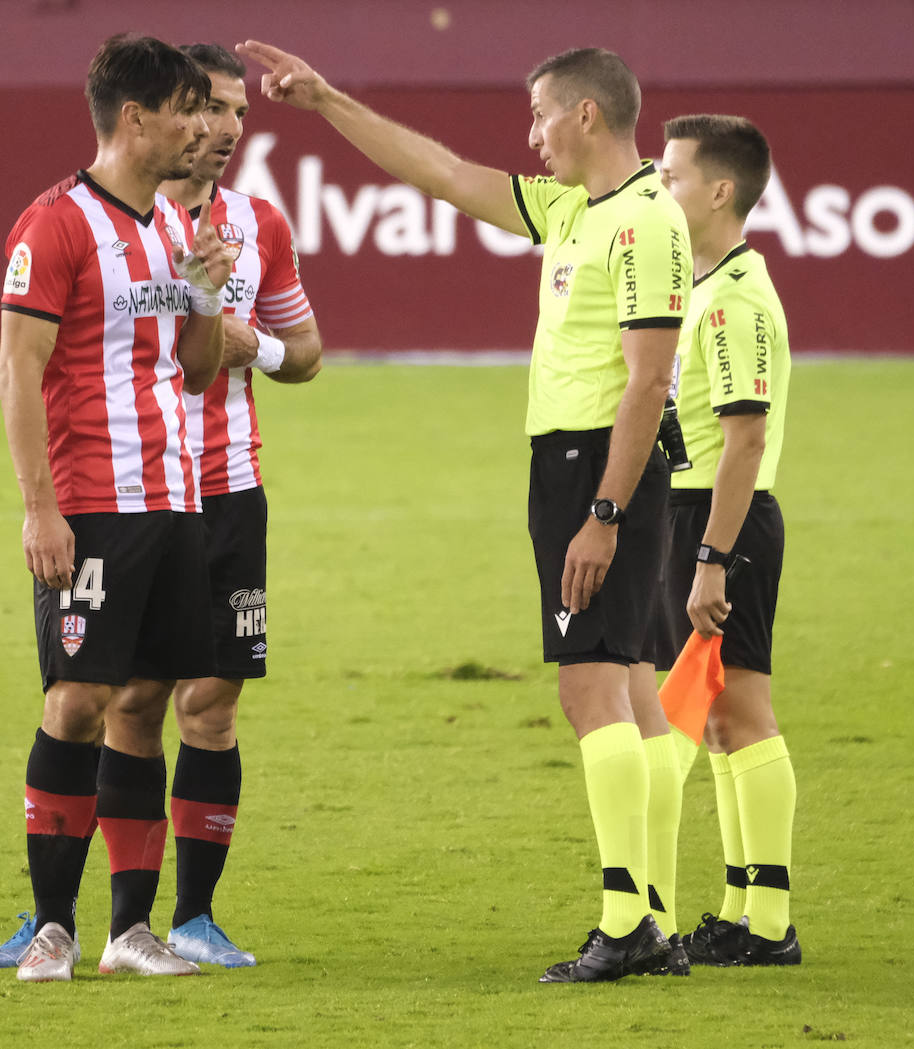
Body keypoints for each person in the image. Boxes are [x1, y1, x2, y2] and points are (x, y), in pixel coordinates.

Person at [235, 39, 691, 982]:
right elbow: (439, 172)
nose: (530, 139)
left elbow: (648, 382)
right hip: (585, 464)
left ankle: (627, 923)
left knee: (588, 687)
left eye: (539, 118)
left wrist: (602, 511)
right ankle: (654, 910)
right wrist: (325, 99)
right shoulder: (575, 207)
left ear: (587, 116)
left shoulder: (645, 223)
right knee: (635, 685)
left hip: (599, 467)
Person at [0, 32, 234, 982]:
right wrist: (38, 508)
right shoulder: (51, 225)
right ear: (135, 119)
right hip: (92, 503)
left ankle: (129, 932)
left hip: (176, 503)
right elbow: (17, 368)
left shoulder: (174, 230)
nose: (204, 128)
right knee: (78, 697)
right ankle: (53, 924)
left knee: (146, 700)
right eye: (187, 110)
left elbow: (200, 367)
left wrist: (209, 296)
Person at [107, 42, 323, 969]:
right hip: (134, 486)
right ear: (168, 114)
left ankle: (193, 918)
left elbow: (306, 351)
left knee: (214, 698)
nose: (227, 129)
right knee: (127, 697)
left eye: (239, 112)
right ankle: (96, 918)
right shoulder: (109, 219)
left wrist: (252, 348)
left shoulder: (261, 225)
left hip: (230, 486)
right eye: (210, 109)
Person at [638, 114, 800, 966]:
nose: (661, 188)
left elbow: (744, 440)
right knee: (720, 721)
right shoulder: (710, 283)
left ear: (721, 191)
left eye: (671, 177)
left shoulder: (735, 298)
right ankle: (747, 910)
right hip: (693, 516)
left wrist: (708, 556)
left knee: (734, 711)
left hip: (717, 520)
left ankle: (767, 921)